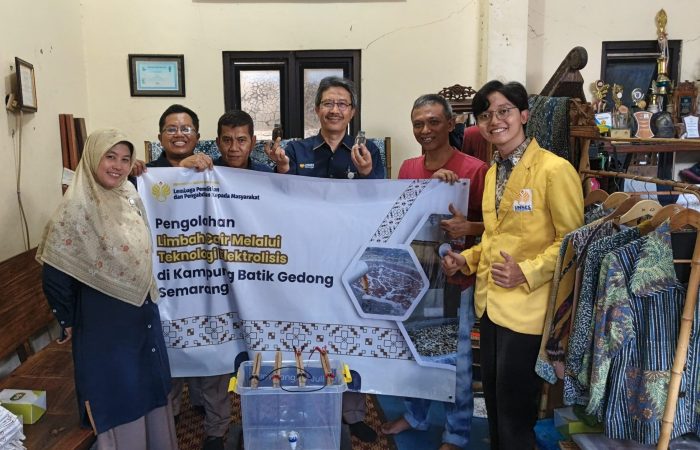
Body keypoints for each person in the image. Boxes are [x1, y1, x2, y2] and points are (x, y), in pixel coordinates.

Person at [441, 80, 583, 449]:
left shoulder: (554, 170)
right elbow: (494, 237)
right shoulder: (493, 173)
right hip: (490, 305)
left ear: (523, 115)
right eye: (485, 115)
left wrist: (527, 271)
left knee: (515, 413)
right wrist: (466, 259)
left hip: (528, 309)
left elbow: (572, 243)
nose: (495, 121)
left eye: (504, 111)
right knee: (495, 405)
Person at [37, 129, 177, 449]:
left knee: (149, 385)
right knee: (119, 391)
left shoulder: (128, 196)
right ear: (92, 158)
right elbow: (55, 275)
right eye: (109, 157)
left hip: (141, 314)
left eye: (125, 159)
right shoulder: (75, 210)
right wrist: (70, 321)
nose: (118, 166)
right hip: (103, 323)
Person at [266, 76, 383, 443]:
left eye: (342, 103)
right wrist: (281, 169)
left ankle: (353, 412)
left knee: (351, 331)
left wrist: (367, 174)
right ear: (317, 109)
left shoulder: (368, 151)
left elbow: (379, 203)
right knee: (305, 333)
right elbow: (276, 200)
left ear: (352, 111)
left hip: (350, 259)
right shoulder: (296, 150)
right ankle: (304, 402)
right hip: (305, 262)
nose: (335, 109)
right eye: (328, 103)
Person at [380, 94, 488, 450]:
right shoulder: (408, 168)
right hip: (415, 275)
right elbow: (400, 218)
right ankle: (416, 415)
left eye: (433, 122)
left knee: (456, 360)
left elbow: (495, 227)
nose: (425, 130)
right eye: (418, 124)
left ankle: (456, 433)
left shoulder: (475, 170)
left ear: (450, 123)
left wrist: (465, 222)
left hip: (456, 278)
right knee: (414, 351)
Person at [214, 109, 284, 173]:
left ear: (253, 142)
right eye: (227, 140)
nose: (234, 148)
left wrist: (282, 168)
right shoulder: (208, 171)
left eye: (241, 140)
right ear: (218, 143)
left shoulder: (265, 174)